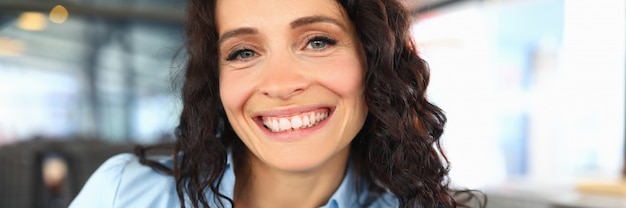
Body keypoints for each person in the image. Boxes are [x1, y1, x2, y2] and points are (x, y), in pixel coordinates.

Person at [71, 0, 485, 207]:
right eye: (243, 52)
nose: (281, 84)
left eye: (317, 41)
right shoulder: (125, 194)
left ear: (371, 59)